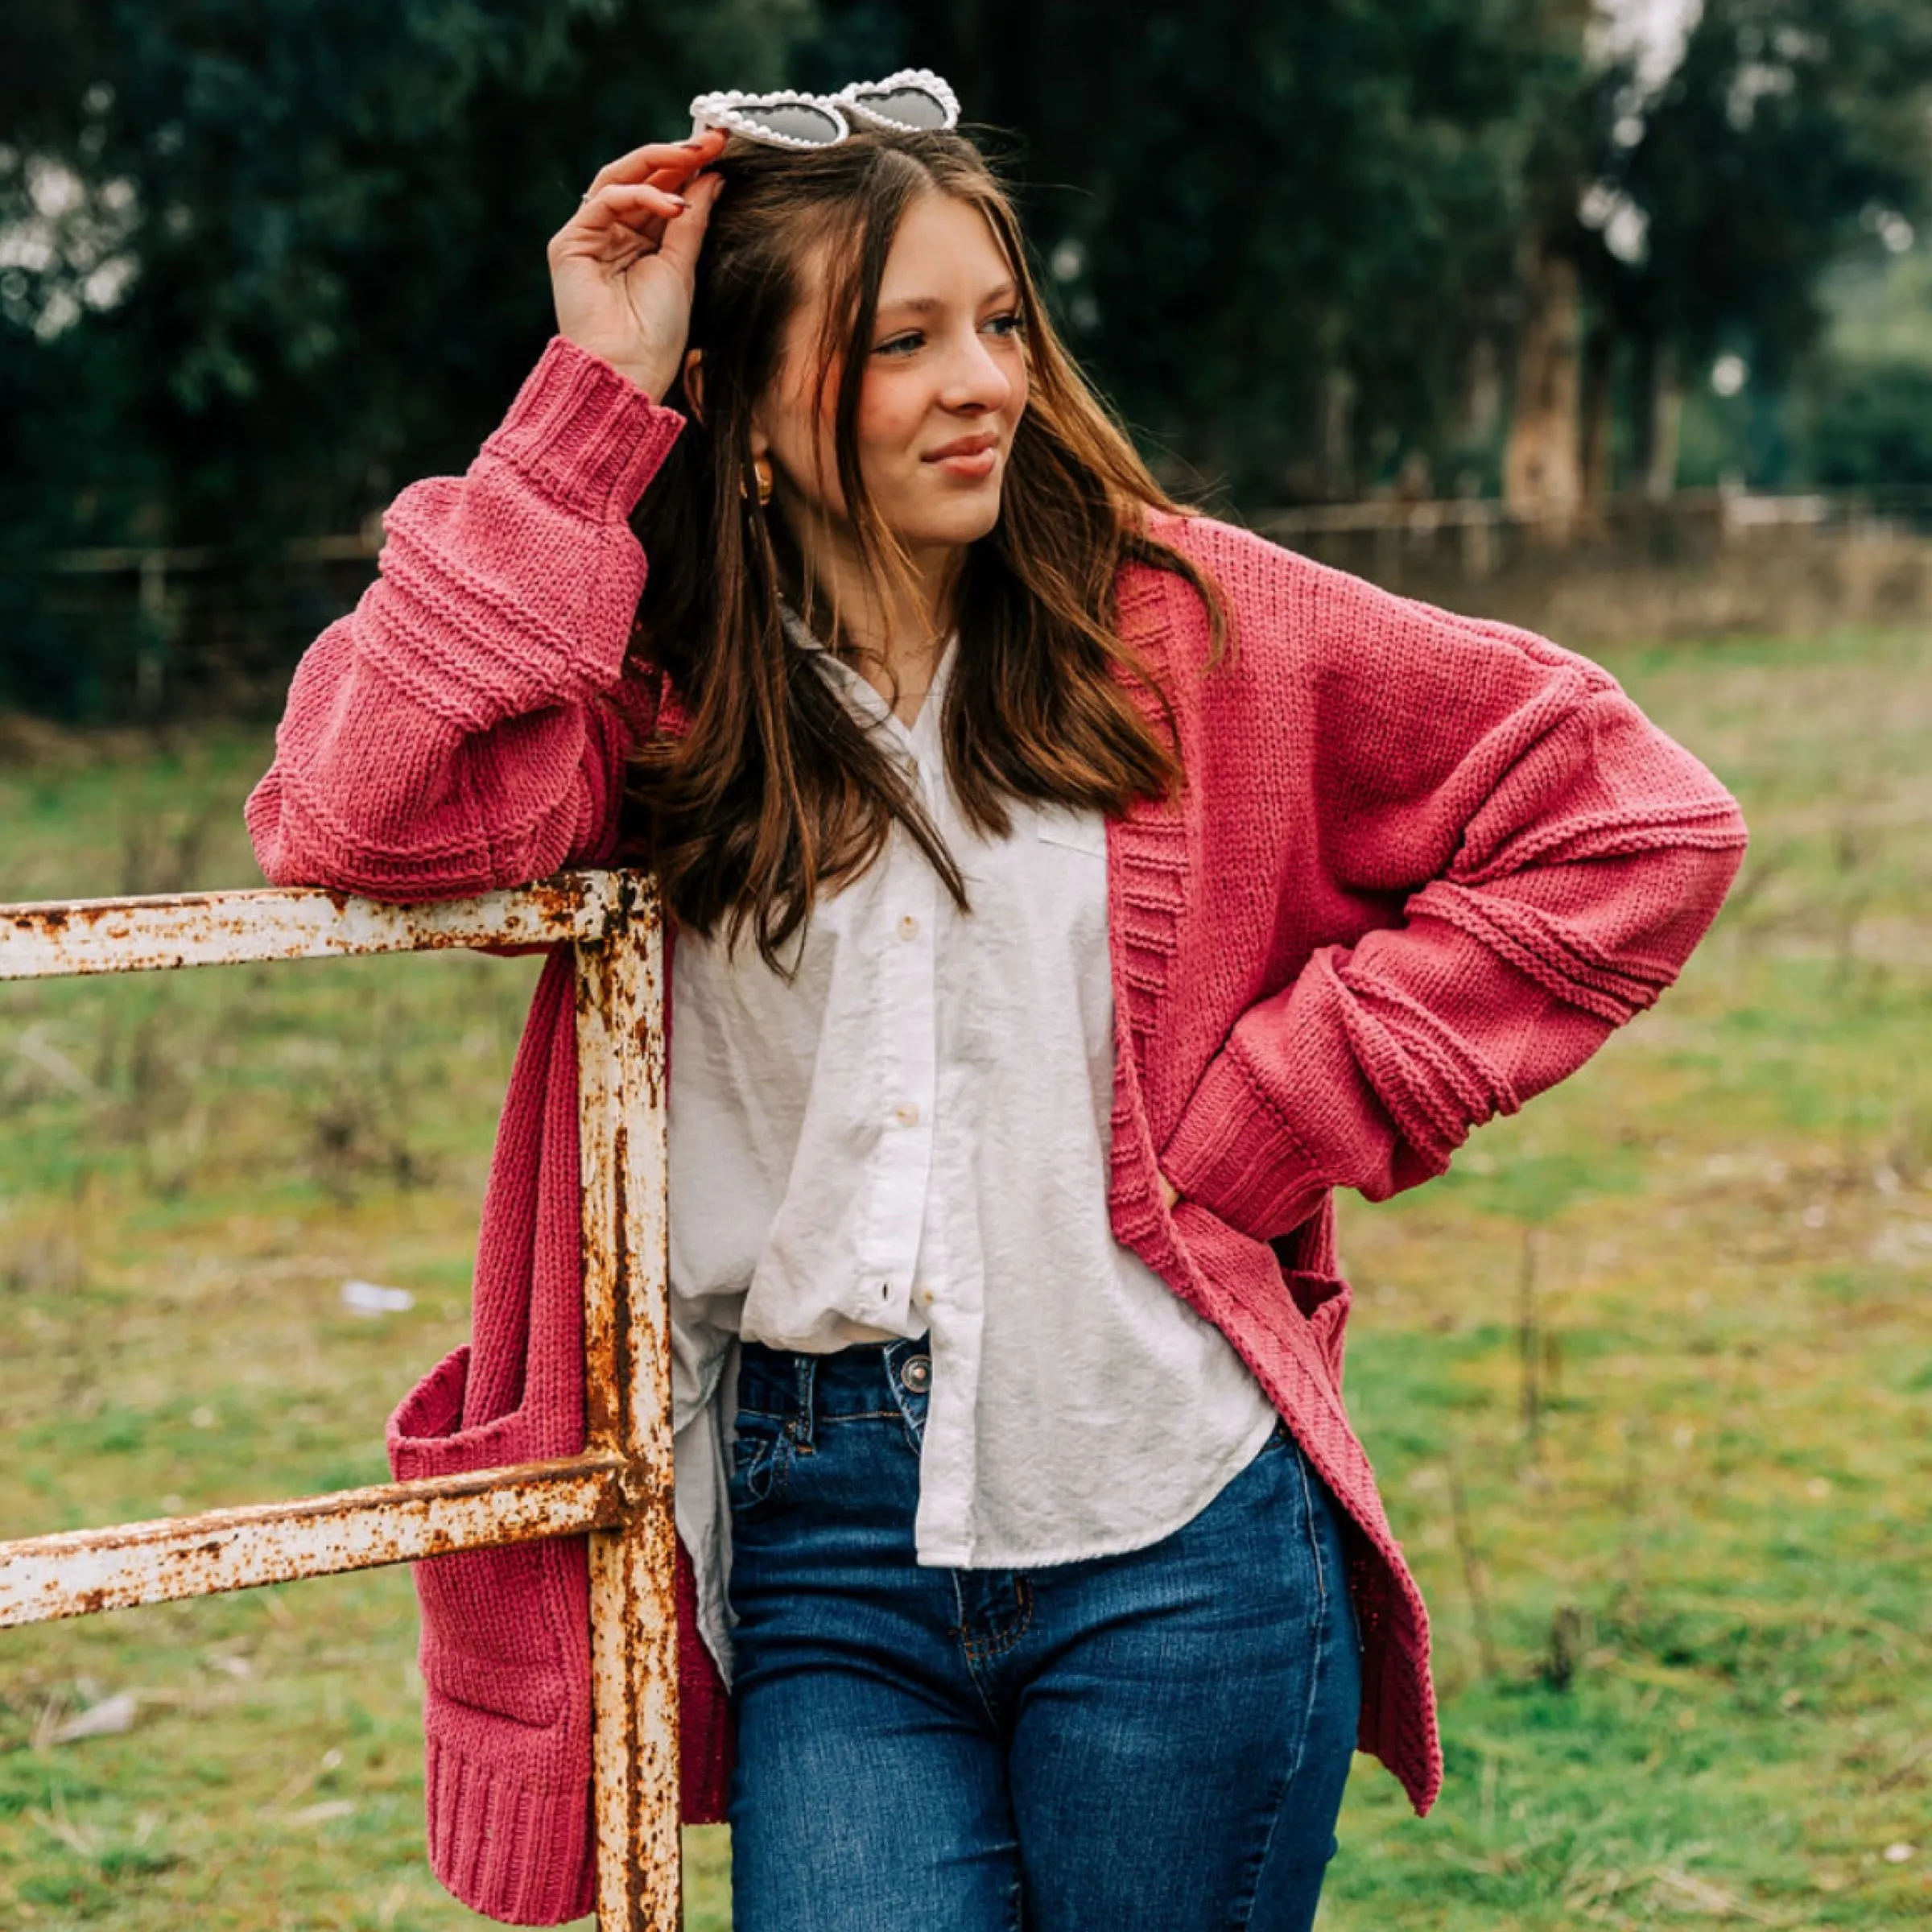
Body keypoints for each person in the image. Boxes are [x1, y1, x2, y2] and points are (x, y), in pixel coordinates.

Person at [245, 72, 1748, 1932]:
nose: (984, 381)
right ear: (753, 419)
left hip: (1167, 1519)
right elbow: (343, 816)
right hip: (826, 1566)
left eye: (1001, 323)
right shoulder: (653, 695)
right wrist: (586, 422)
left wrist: (1299, 1095)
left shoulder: (1188, 630)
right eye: (903, 342)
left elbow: (1635, 813)